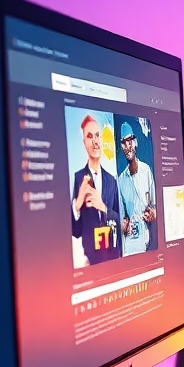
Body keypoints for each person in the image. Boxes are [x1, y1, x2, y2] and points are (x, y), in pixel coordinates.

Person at [70, 113, 120, 266]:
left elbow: (120, 221)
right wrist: (77, 205)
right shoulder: (79, 178)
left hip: (113, 259)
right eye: (89, 136)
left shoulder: (112, 181)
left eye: (97, 135)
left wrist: (102, 207)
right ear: (84, 142)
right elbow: (76, 231)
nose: (95, 141)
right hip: (91, 263)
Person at [117, 121, 157, 256]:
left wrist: (153, 213)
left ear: (136, 142)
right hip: (132, 242)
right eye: (124, 142)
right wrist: (123, 224)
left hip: (149, 236)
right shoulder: (121, 180)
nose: (128, 146)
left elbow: (155, 205)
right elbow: (122, 216)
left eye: (130, 140)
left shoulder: (146, 171)